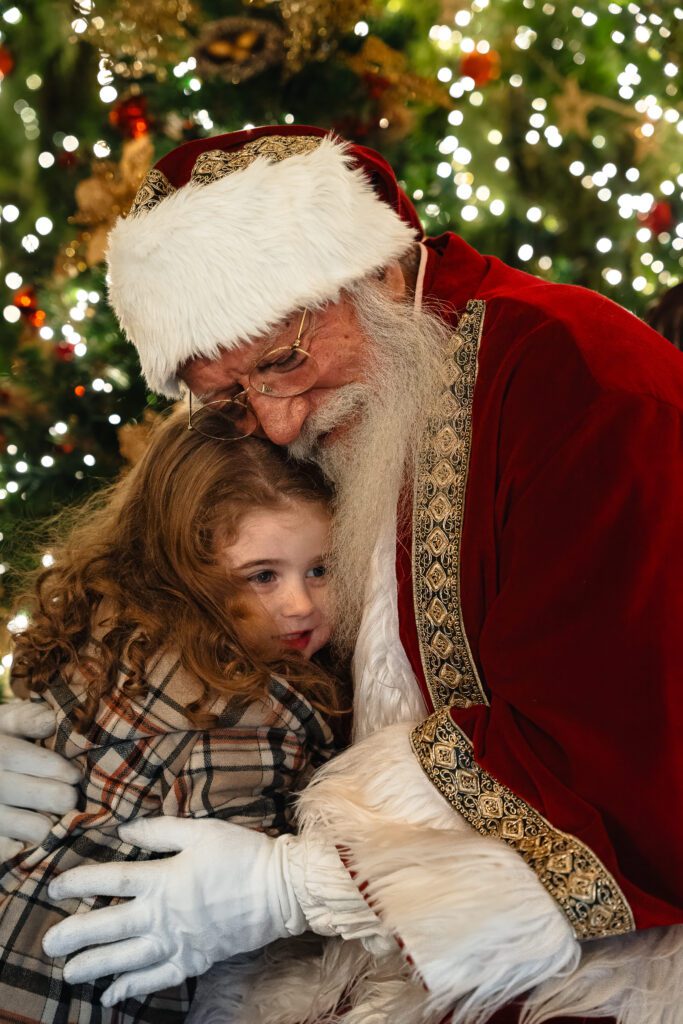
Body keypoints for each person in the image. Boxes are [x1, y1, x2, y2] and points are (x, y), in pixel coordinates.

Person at [1, 124, 682, 1024]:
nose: (279, 424)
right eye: (230, 398)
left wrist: (292, 887)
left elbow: (628, 749)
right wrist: (59, 737)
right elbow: (195, 616)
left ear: (380, 272)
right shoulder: (323, 413)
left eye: (283, 360)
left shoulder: (577, 380)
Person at [0, 407, 347, 1023]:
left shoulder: (102, 621)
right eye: (261, 576)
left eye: (320, 569)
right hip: (91, 979)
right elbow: (238, 871)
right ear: (184, 570)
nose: (299, 605)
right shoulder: (256, 707)